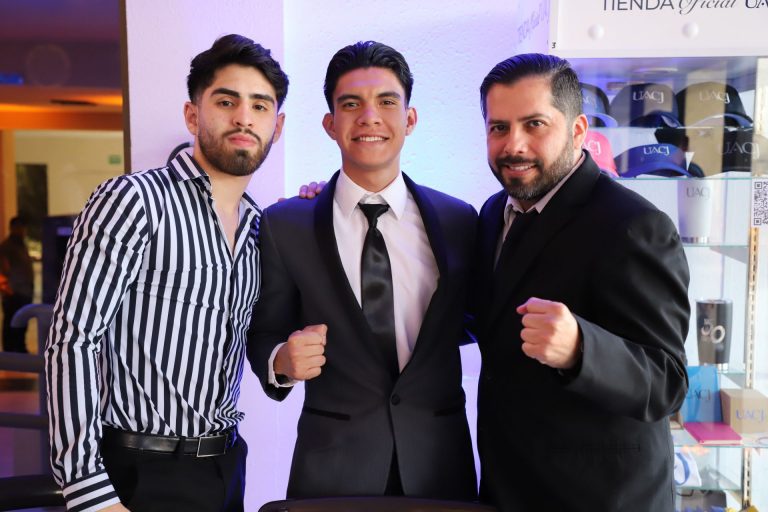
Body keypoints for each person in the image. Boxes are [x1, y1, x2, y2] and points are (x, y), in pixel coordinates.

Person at [44, 34, 287, 512]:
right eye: (226, 101)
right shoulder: (133, 201)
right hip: (138, 473)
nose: (244, 117)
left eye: (260, 106)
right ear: (193, 115)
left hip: (225, 469)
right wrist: (89, 491)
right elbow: (72, 340)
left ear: (276, 127)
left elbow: (258, 336)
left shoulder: (263, 227)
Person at [247, 41, 478, 500]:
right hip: (332, 471)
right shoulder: (285, 225)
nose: (369, 117)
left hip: (439, 467)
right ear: (330, 124)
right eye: (351, 104)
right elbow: (263, 332)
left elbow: (477, 319)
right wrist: (281, 362)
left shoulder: (459, 220)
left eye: (387, 102)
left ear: (410, 120)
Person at [474, 53, 690, 512]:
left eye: (534, 124)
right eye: (499, 127)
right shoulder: (494, 213)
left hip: (600, 497)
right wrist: (330, 202)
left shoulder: (633, 224)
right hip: (509, 487)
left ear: (577, 131)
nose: (514, 144)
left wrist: (580, 349)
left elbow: (668, 382)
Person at [0, 216, 34, 353]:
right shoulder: (6, 247)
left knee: (22, 323)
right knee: (11, 323)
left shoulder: (21, 246)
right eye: (20, 227)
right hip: (13, 293)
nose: (23, 231)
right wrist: (8, 291)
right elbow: (4, 270)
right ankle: (10, 352)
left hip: (25, 291)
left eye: (24, 228)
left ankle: (20, 348)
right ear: (13, 228)